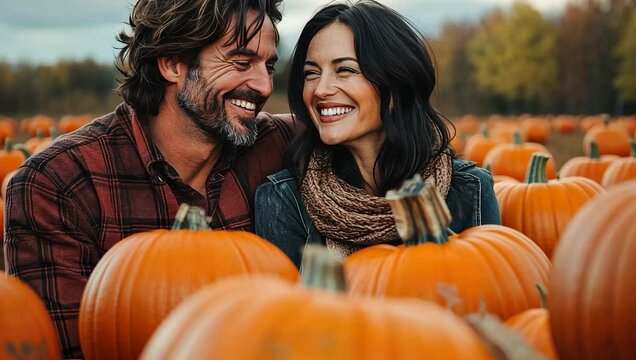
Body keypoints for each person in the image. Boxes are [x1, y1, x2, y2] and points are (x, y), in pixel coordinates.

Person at [4, 0, 292, 357]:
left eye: (269, 65)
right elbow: (68, 349)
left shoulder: (276, 144)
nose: (264, 86)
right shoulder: (60, 182)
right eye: (240, 62)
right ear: (172, 64)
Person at [254, 0, 500, 269]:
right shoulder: (283, 200)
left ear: (395, 84)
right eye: (311, 73)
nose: (321, 89)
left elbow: (492, 297)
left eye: (345, 70)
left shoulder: (469, 190)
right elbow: (283, 309)